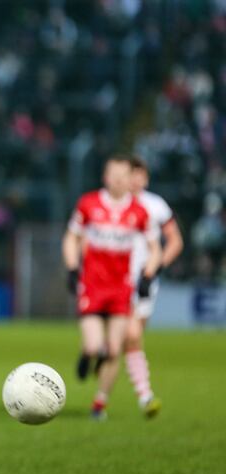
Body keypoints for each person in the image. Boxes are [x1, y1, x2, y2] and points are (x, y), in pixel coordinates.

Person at [62, 155, 161, 421]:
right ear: (105, 177)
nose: (118, 180)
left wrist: (148, 275)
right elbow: (71, 237)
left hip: (120, 290)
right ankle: (86, 355)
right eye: (113, 175)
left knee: (115, 349)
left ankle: (99, 404)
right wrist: (72, 267)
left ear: (130, 179)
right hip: (93, 286)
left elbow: (155, 249)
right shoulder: (89, 204)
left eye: (123, 175)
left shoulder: (139, 213)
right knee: (96, 346)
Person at [123, 156, 183, 418]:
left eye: (139, 173)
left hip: (145, 279)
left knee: (133, 337)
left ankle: (105, 398)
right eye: (130, 173)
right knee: (131, 335)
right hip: (115, 280)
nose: (135, 178)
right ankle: (145, 395)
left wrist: (156, 269)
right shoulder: (115, 204)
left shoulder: (155, 205)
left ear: (145, 177)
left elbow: (175, 241)